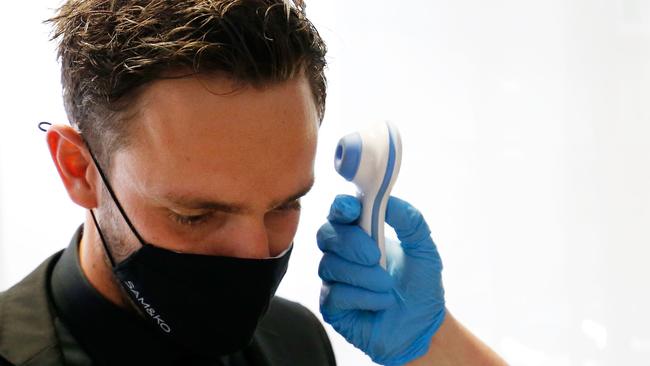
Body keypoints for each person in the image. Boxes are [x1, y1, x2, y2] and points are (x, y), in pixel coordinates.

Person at [0, 1, 508, 365]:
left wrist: (434, 344)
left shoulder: (295, 341)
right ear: (79, 170)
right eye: (196, 214)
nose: (253, 254)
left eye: (285, 205)